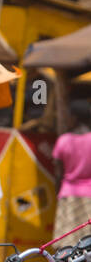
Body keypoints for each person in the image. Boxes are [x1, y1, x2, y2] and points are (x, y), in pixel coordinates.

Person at [52, 99, 91, 239]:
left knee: (65, 246)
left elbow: (58, 174)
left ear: (74, 117)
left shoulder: (64, 140)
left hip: (68, 196)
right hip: (89, 198)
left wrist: (59, 194)